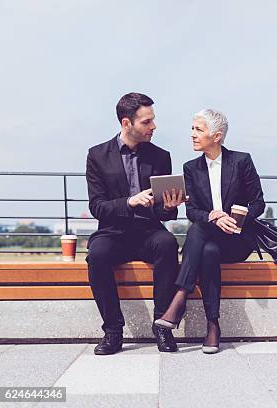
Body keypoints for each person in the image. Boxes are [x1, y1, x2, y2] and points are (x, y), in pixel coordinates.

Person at [154, 109, 265, 353]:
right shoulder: (191, 168)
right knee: (207, 248)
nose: (192, 135)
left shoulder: (241, 161)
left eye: (198, 130)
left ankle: (179, 298)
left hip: (237, 239)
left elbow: (258, 203)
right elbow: (192, 210)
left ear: (217, 136)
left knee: (198, 233)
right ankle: (213, 325)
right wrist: (212, 216)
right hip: (208, 238)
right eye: (192, 129)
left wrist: (237, 217)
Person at [86, 92, 185, 355]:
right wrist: (130, 202)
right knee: (97, 255)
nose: (153, 127)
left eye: (153, 120)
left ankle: (162, 326)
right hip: (113, 232)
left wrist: (169, 206)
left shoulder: (160, 156)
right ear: (127, 123)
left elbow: (164, 214)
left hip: (148, 231)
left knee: (167, 243)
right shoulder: (97, 155)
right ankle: (113, 331)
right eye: (147, 122)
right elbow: (97, 207)